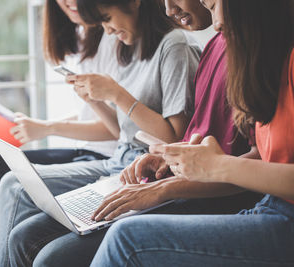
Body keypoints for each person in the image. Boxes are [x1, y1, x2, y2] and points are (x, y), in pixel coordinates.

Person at [32, 0, 263, 266]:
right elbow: (192, 139)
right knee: (31, 228)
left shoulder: (184, 46)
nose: (168, 10)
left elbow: (197, 145)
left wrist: (166, 185)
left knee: (51, 255)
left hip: (204, 191)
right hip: (166, 173)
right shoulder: (214, 45)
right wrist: (166, 160)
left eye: (212, 3)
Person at [0, 0, 201, 266]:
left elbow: (173, 140)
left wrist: (117, 94)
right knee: (14, 194)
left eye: (107, 18)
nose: (108, 31)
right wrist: (94, 100)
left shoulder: (175, 47)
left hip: (142, 170)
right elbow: (121, 132)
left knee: (16, 189)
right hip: (121, 161)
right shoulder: (132, 47)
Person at [91, 0, 294, 265]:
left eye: (214, 6)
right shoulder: (261, 59)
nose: (217, 23)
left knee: (125, 240)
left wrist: (217, 166)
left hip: (282, 215)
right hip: (270, 205)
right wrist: (182, 165)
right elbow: (264, 159)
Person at [0, 0, 121, 266]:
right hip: (86, 149)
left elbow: (116, 127)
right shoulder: (81, 37)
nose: (70, 3)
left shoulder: (113, 36)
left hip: (104, 155)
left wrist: (47, 128)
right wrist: (41, 124)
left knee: (9, 181)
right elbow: (92, 114)